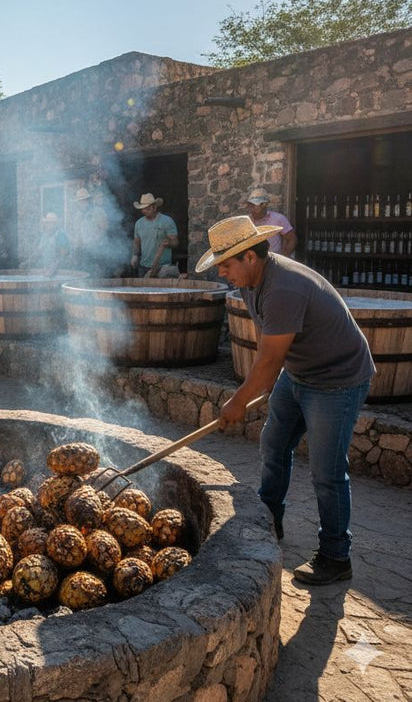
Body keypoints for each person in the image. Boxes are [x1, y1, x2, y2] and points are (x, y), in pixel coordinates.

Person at [196, 215, 374, 585]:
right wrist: (260, 388)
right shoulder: (250, 282)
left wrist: (237, 401)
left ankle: (335, 556)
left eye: (225, 264)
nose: (222, 273)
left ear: (249, 256)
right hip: (298, 373)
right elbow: (267, 345)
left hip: (337, 379)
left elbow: (269, 361)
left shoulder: (284, 287)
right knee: (274, 445)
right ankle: (268, 521)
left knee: (326, 471)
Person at [130, 192, 179, 277]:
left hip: (163, 267)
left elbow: (176, 243)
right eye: (143, 209)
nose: (144, 211)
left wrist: (169, 243)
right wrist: (135, 255)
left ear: (155, 207)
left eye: (147, 209)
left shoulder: (166, 221)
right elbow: (137, 241)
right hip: (144, 266)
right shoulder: (139, 223)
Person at [69, 187, 111, 276]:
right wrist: (76, 248)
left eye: (84, 200)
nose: (83, 203)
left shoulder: (98, 211)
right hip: (85, 251)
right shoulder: (77, 215)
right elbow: (78, 234)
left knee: (100, 275)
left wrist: (93, 241)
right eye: (80, 201)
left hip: (99, 249)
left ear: (88, 200)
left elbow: (104, 229)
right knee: (87, 273)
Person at [244, 187, 297, 257]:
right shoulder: (247, 221)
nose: (252, 209)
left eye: (255, 206)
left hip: (273, 259)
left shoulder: (278, 219)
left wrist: (284, 258)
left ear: (264, 205)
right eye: (251, 205)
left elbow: (292, 239)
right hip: (254, 260)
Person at [28, 212, 70, 276]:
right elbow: (39, 251)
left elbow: (63, 254)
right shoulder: (44, 235)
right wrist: (29, 262)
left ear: (55, 224)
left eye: (51, 223)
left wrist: (55, 266)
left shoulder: (61, 235)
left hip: (59, 271)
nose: (48, 225)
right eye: (47, 223)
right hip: (46, 268)